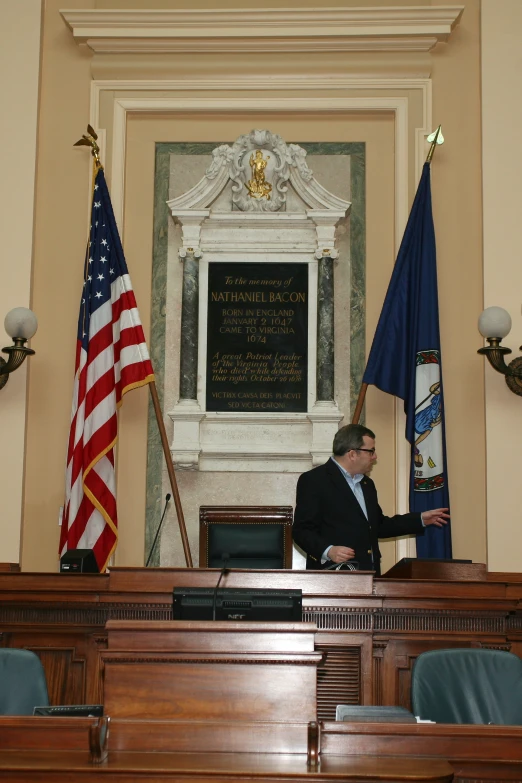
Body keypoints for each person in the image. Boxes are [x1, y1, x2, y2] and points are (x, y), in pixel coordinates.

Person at [292, 423, 449, 575]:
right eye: (371, 451)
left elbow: (379, 526)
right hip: (333, 577)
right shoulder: (315, 480)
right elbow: (302, 530)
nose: (375, 457)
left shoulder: (367, 484)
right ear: (352, 454)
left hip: (369, 575)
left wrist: (420, 519)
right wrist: (328, 550)